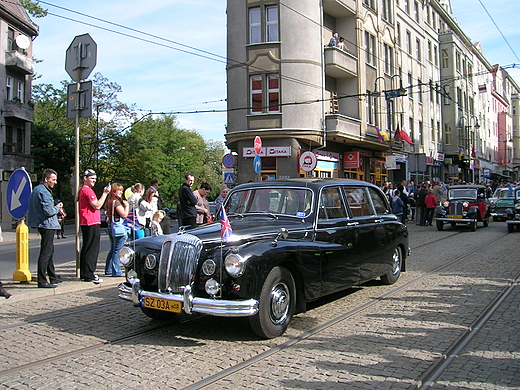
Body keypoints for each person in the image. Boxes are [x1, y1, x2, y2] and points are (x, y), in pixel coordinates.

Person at [27, 169, 62, 288]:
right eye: (53, 180)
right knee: (46, 253)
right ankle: (42, 280)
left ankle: (53, 277)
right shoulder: (44, 192)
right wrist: (58, 208)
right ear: (46, 179)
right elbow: (49, 211)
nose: (55, 182)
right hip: (46, 225)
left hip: (43, 224)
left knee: (49, 251)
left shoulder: (37, 190)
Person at [77, 169, 110, 284]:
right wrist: (105, 193)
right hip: (91, 222)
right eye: (92, 178)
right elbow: (97, 205)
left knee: (87, 248)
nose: (94, 181)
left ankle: (85, 273)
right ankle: (89, 274)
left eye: (95, 179)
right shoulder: (87, 191)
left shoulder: (83, 190)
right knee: (92, 249)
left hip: (87, 222)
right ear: (85, 178)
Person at [104, 183, 129, 277]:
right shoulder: (116, 202)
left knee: (113, 249)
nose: (121, 192)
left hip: (111, 227)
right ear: (114, 191)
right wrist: (127, 206)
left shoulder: (110, 202)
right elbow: (124, 215)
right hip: (118, 229)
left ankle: (108, 269)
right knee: (117, 250)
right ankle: (116, 271)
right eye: (119, 190)